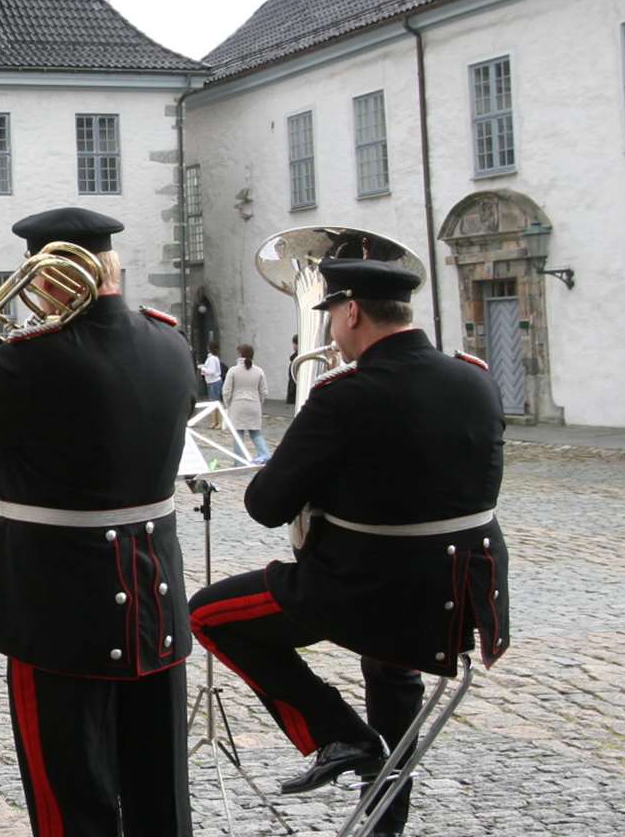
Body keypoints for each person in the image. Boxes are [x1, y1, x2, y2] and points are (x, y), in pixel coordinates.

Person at [189, 257, 511, 837]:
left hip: (366, 593)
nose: (332, 330)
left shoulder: (344, 395)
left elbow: (265, 506)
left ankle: (341, 735)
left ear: (353, 311)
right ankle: (384, 823)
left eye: (333, 314)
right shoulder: (475, 378)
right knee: (394, 670)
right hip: (457, 598)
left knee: (209, 615)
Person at [0, 208, 195, 837]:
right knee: (159, 787)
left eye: (30, 279)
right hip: (155, 593)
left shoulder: (33, 360)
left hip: (60, 600)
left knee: (71, 791)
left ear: (52, 278)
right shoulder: (171, 342)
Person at [223, 343, 271, 463]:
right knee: (255, 433)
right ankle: (265, 455)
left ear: (240, 354)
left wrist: (227, 404)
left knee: (238, 435)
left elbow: (226, 391)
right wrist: (258, 402)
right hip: (254, 405)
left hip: (237, 405)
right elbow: (264, 391)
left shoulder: (233, 371)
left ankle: (239, 461)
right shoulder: (259, 371)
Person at [287, 334, 301, 405]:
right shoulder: (295, 357)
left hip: (295, 396)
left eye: (294, 344)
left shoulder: (297, 358)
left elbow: (293, 379)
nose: (293, 346)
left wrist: (291, 395)